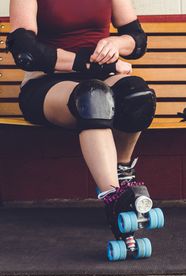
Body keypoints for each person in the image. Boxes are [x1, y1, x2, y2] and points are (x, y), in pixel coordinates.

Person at [7, 0, 157, 249]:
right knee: (93, 96)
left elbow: (137, 39)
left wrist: (115, 43)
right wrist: (94, 63)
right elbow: (27, 52)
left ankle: (122, 173)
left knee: (136, 96)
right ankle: (113, 196)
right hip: (47, 84)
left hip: (100, 79)